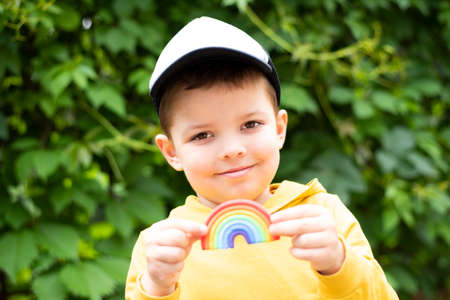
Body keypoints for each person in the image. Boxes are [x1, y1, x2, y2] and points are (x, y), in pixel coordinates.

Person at [125, 16, 398, 300]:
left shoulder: (323, 215)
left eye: (250, 124)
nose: (232, 149)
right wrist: (157, 288)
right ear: (171, 152)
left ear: (279, 129)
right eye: (202, 135)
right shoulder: (159, 247)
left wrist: (338, 264)